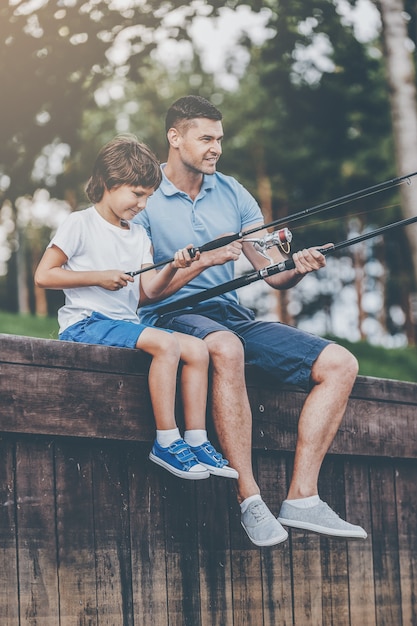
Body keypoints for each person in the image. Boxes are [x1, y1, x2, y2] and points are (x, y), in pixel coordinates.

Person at [134, 96, 368, 546]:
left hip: (231, 314)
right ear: (174, 137)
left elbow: (272, 271)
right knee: (227, 346)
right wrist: (201, 262)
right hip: (170, 314)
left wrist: (296, 267)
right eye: (205, 138)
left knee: (341, 363)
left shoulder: (232, 191)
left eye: (219, 139)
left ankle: (303, 498)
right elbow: (144, 290)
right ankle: (250, 498)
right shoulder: (145, 196)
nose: (215, 148)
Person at [34, 134, 238, 482]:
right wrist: (99, 277)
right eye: (136, 194)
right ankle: (166, 441)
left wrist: (174, 266)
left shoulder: (139, 236)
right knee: (167, 343)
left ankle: (196, 438)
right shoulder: (80, 223)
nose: (142, 204)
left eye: (148, 196)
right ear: (107, 184)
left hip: (123, 322)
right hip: (86, 323)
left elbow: (147, 294)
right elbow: (44, 275)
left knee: (199, 350)